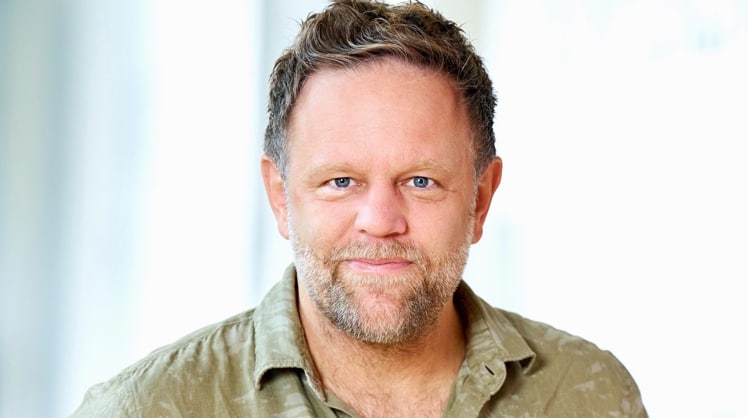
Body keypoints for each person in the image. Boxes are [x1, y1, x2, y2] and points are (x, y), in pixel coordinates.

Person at [71, 1, 647, 417]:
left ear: (481, 199)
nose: (380, 220)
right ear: (281, 197)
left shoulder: (592, 396)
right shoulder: (146, 409)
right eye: (341, 181)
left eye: (421, 181)